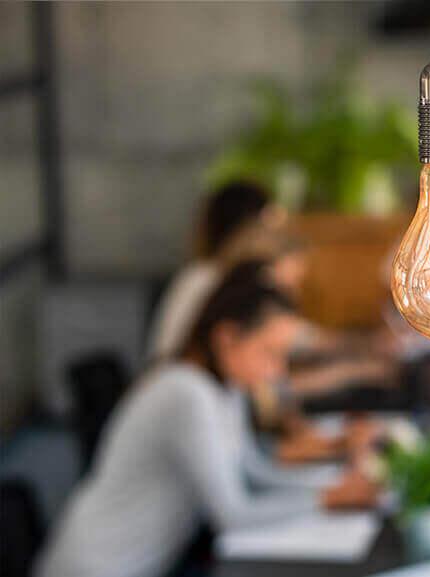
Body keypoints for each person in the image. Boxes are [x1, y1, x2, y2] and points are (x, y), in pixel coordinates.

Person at [37, 272, 377, 577]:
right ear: (227, 338)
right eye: (270, 353)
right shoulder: (185, 393)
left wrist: (334, 485)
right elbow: (233, 513)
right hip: (100, 566)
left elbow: (253, 474)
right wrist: (329, 498)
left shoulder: (225, 387)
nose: (278, 372)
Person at [148, 180, 276, 360]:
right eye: (269, 224)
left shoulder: (206, 275)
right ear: (249, 229)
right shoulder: (207, 279)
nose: (274, 237)